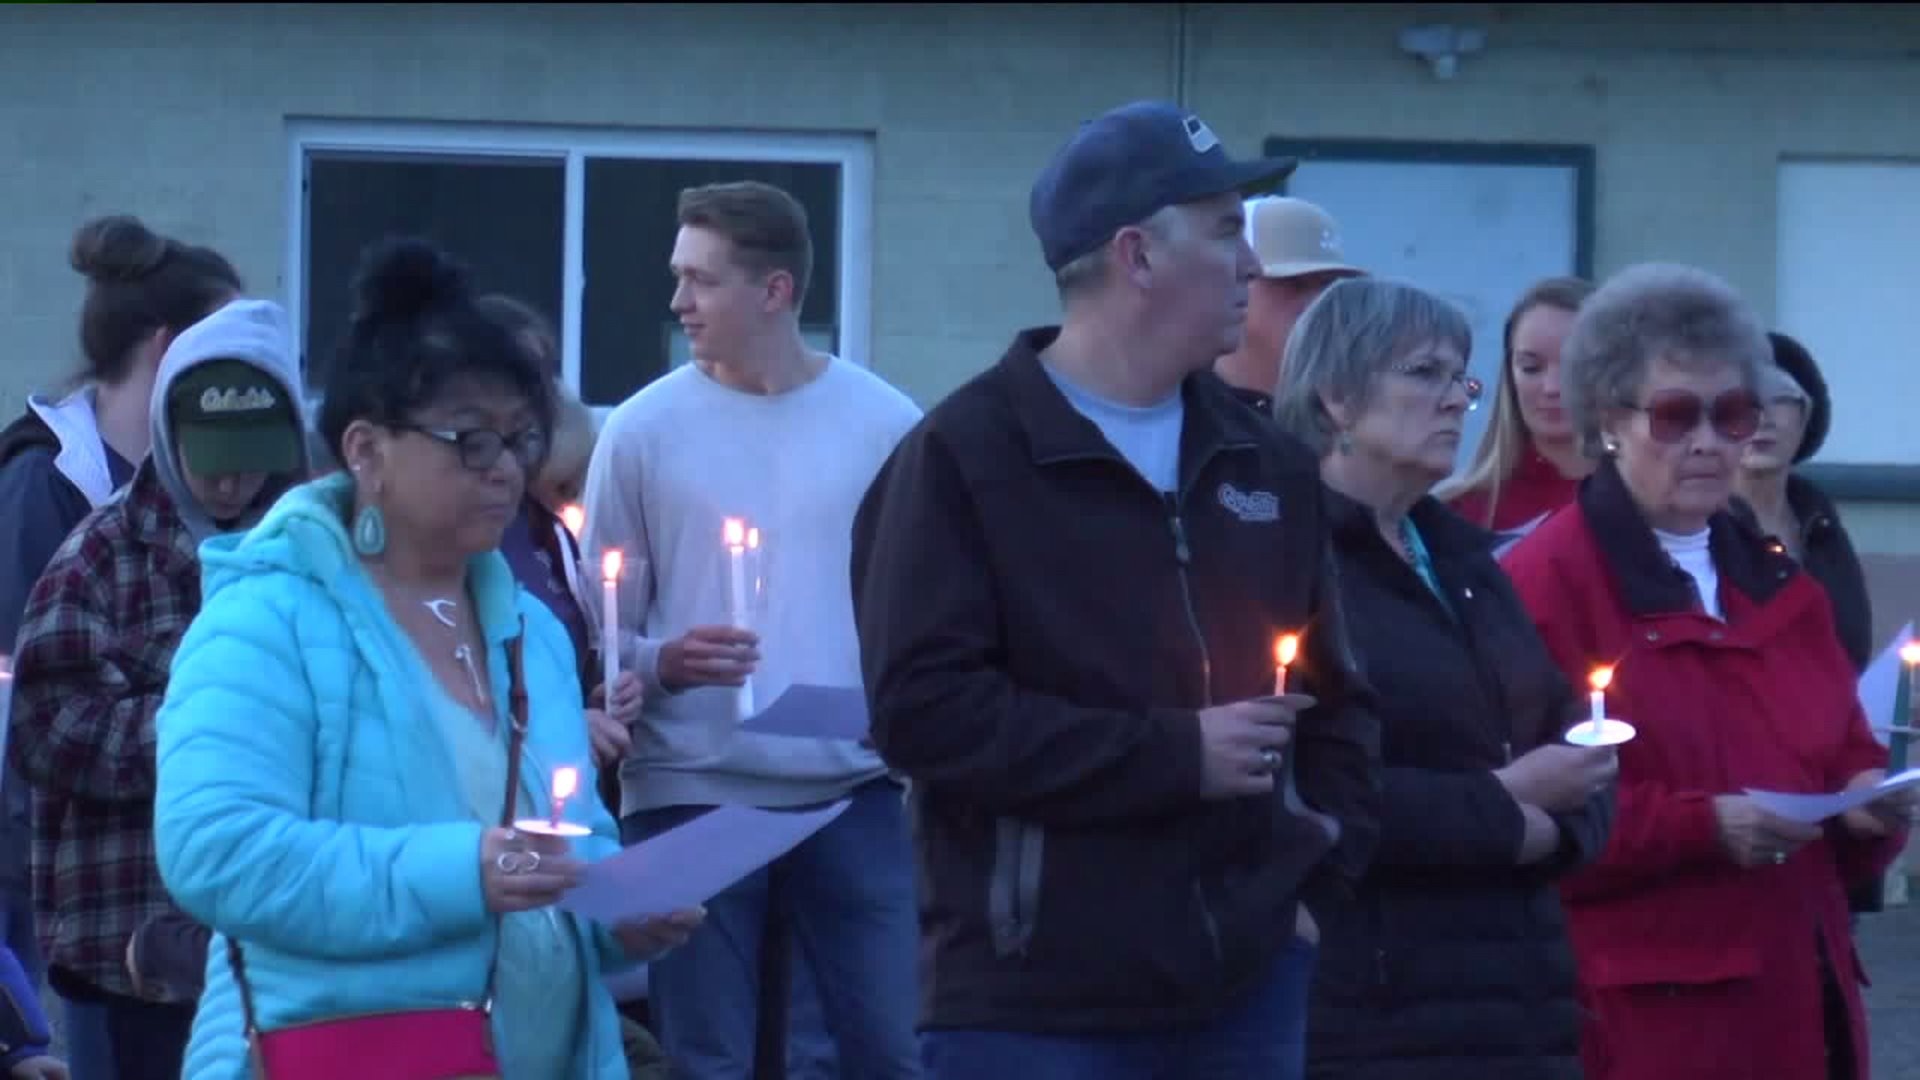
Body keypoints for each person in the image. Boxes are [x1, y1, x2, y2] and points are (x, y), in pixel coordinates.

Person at [850, 99, 1382, 1080]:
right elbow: (922, 715)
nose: (1254, 269)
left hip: (1248, 990)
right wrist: (1172, 756)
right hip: (1029, 1009)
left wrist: (1312, 888)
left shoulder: (1266, 463)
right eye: (1227, 232)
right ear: (1137, 256)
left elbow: (1340, 701)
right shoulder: (962, 460)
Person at [149, 237, 702, 1079]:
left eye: (520, 440)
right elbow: (217, 852)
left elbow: (563, 841)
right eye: (469, 441)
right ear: (365, 450)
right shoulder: (267, 621)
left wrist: (617, 912)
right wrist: (466, 869)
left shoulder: (531, 630)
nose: (506, 471)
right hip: (340, 1053)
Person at [1501, 263, 1913, 1080]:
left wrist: (1874, 801)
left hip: (1806, 996)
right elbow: (1523, 812)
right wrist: (1704, 826)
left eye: (1731, 416)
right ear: (1608, 421)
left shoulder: (1775, 578)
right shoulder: (1545, 583)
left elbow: (1835, 749)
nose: (1709, 443)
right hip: (1654, 1020)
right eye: (1676, 416)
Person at [581, 179, 924, 1080]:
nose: (676, 302)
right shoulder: (643, 429)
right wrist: (665, 664)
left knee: (885, 1050)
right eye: (678, 276)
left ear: (775, 291)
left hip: (852, 788)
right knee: (709, 1060)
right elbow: (600, 620)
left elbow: (926, 605)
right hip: (692, 790)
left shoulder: (887, 425)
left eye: (700, 280)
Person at [1271, 277, 1612, 1079]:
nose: (1459, 399)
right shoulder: (1286, 562)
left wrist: (1555, 817)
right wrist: (1507, 809)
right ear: (1337, 399)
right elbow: (1305, 790)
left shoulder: (1464, 558)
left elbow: (1580, 738)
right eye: (1424, 373)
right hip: (1375, 1012)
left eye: (1461, 377)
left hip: (1519, 1007)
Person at [7, 296, 302, 1080]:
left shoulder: (308, 560)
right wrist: (189, 729)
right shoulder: (98, 556)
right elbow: (44, 726)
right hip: (125, 937)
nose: (233, 480)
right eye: (213, 454)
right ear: (171, 434)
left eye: (253, 455)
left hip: (274, 937)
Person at [0, 215, 241, 998]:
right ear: (174, 352)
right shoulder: (46, 484)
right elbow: (31, 704)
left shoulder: (220, 495)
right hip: (53, 882)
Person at [1732, 332, 1871, 673]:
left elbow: (1852, 644)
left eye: (1779, 397)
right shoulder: (1692, 525)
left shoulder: (1817, 518)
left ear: (1806, 416)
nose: (1761, 417)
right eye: (1741, 399)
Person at [1441, 277, 1597, 554]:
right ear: (1510, 376)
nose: (1552, 388)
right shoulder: (1455, 512)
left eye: (1575, 366)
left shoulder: (1654, 503)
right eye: (1531, 368)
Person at [1213, 195, 1365, 412]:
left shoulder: (1345, 414)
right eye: (1295, 283)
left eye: (1329, 286)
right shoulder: (1183, 409)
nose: (1318, 302)